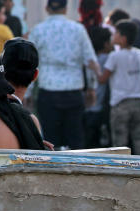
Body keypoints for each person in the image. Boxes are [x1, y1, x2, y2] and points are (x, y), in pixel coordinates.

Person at [29, 0, 99, 150]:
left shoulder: (38, 30)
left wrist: (27, 92)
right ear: (66, 9)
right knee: (76, 140)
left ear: (47, 8)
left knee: (50, 141)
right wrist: (92, 88)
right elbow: (91, 61)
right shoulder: (78, 30)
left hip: (48, 91)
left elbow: (30, 63)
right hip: (73, 92)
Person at [97, 19, 140, 155]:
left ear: (123, 38)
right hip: (139, 103)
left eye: (117, 33)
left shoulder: (115, 56)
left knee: (120, 143)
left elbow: (103, 79)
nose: (114, 36)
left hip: (120, 104)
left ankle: (121, 168)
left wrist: (95, 69)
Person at [82, 25, 111, 147]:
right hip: (98, 108)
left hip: (85, 106)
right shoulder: (108, 58)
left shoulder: (87, 59)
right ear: (105, 44)